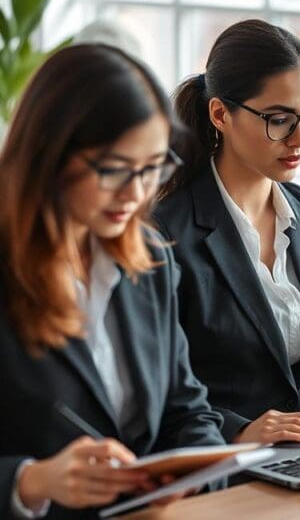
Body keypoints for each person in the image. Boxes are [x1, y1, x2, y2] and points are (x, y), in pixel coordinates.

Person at [0, 45, 226, 519]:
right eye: (115, 170)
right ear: (50, 155)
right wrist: (33, 480)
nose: (136, 192)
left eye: (152, 168)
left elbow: (187, 410)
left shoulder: (150, 261)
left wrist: (194, 475)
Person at [154, 19, 300, 446]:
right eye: (279, 119)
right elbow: (157, 386)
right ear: (220, 114)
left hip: (297, 456)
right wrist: (239, 431)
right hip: (214, 460)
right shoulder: (165, 232)